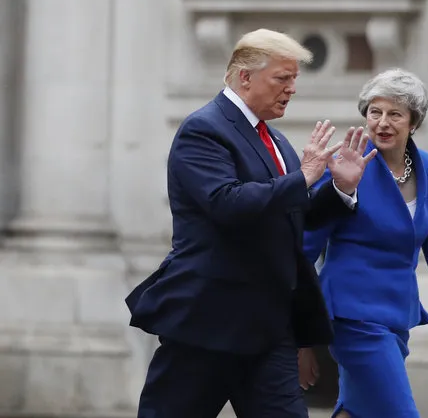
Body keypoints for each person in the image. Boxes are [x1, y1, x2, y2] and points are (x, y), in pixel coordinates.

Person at [125, 28, 376, 418]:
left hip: (270, 330)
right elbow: (227, 204)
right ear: (245, 77)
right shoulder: (203, 129)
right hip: (208, 325)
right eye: (282, 78)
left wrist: (340, 189)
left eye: (294, 79)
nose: (292, 89)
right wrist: (302, 178)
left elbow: (296, 212)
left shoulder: (275, 140)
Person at [301, 68, 428, 418]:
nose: (382, 122)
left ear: (414, 122)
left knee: (355, 412)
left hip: (396, 319)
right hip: (352, 317)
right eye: (375, 112)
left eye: (395, 114)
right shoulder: (347, 167)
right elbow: (305, 248)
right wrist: (299, 338)